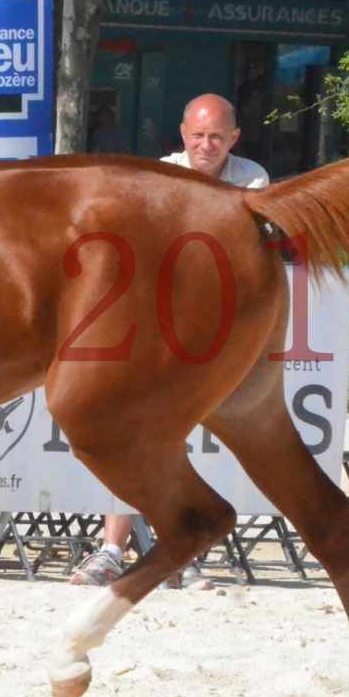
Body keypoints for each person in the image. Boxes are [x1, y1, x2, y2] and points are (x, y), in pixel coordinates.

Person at [72, 93, 271, 589]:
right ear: (183, 135)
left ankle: (178, 550)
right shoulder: (159, 174)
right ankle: (114, 549)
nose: (206, 145)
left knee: (171, 442)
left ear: (234, 139)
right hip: (151, 328)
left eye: (217, 137)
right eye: (198, 136)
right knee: (134, 436)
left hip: (216, 336)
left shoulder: (254, 179)